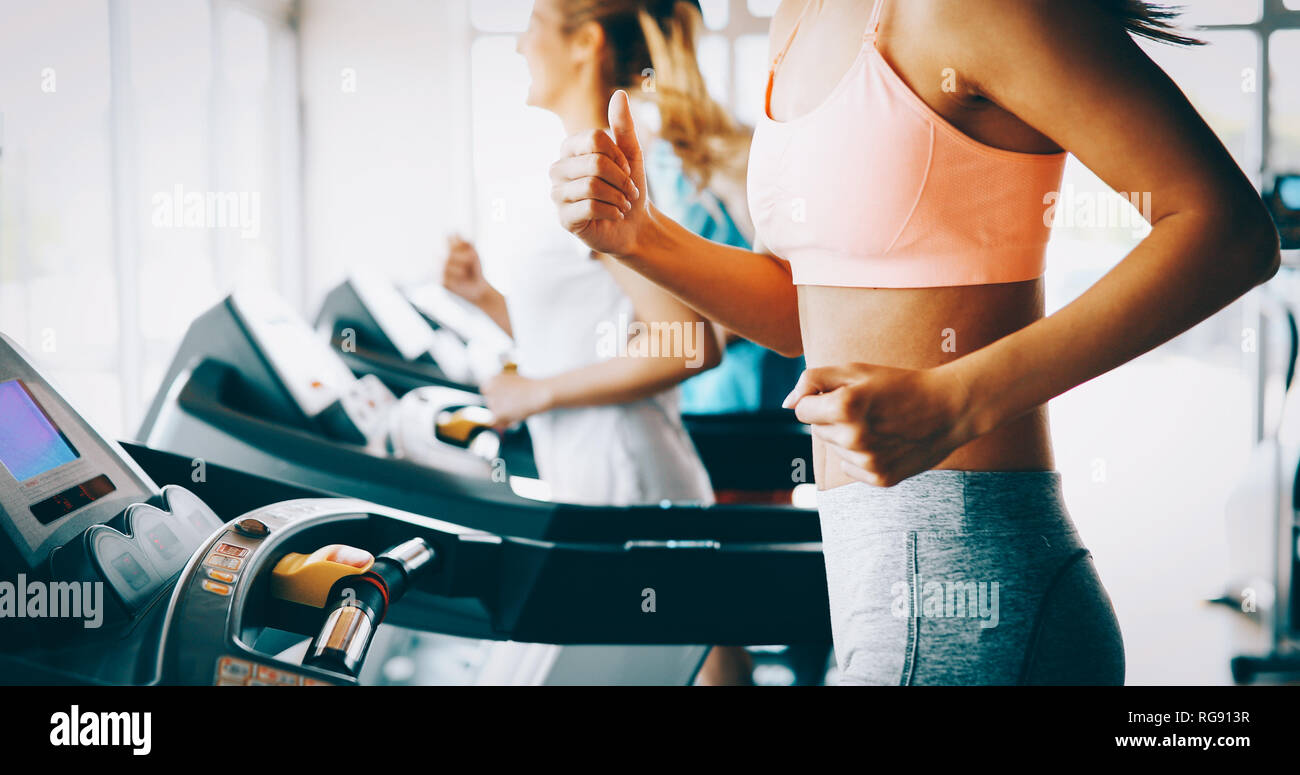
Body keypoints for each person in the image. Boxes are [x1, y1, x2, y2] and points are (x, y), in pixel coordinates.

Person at [546, 0, 1282, 684]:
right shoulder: (800, 19)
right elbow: (805, 313)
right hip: (874, 584)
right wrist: (642, 236)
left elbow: (1229, 232)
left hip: (974, 583)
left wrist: (958, 401)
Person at [441, 0, 757, 685]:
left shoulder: (602, 167)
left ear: (583, 43)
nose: (520, 45)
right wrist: (488, 300)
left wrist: (536, 392)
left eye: (532, 27)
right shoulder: (577, 162)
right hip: (595, 477)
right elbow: (590, 329)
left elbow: (688, 345)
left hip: (625, 477)